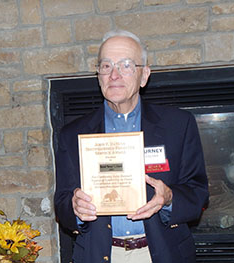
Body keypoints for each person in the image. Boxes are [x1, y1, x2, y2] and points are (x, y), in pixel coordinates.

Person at [54, 29, 209, 263]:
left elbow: (198, 195)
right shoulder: (72, 134)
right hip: (99, 255)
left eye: (126, 65)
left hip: (162, 253)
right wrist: (74, 207)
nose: (114, 75)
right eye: (106, 66)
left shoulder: (178, 125)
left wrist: (168, 198)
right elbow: (62, 203)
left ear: (144, 75)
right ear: (98, 75)